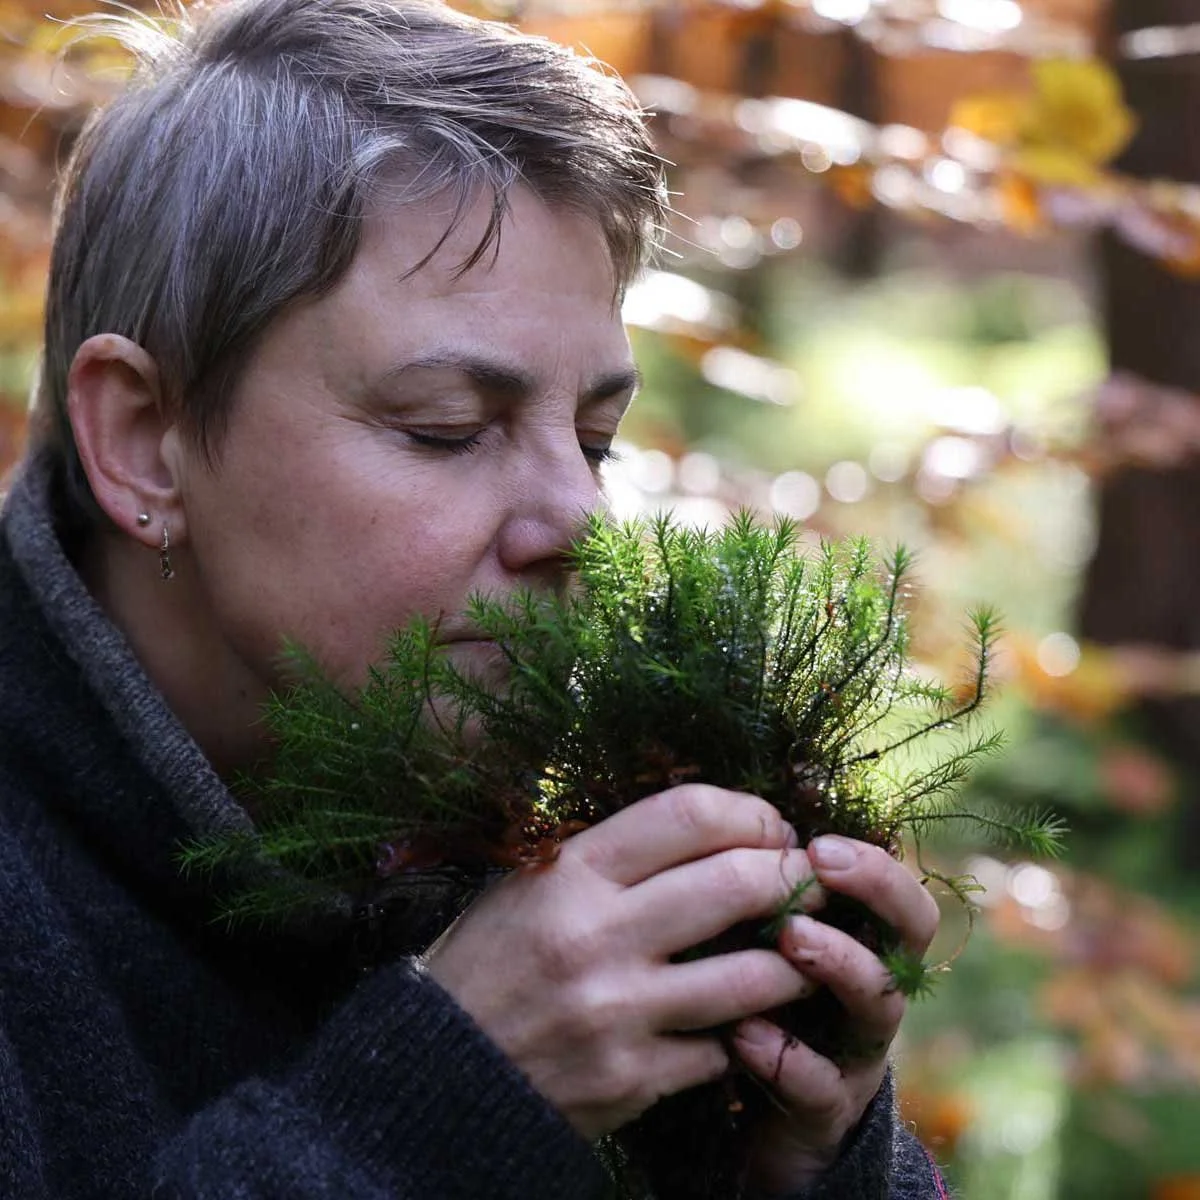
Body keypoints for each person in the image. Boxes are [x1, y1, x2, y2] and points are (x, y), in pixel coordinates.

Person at [0, 0, 951, 1195]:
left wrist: (788, 1170)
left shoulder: (549, 836)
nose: (580, 529)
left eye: (595, 441)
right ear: (145, 440)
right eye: (446, 429)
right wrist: (451, 1097)